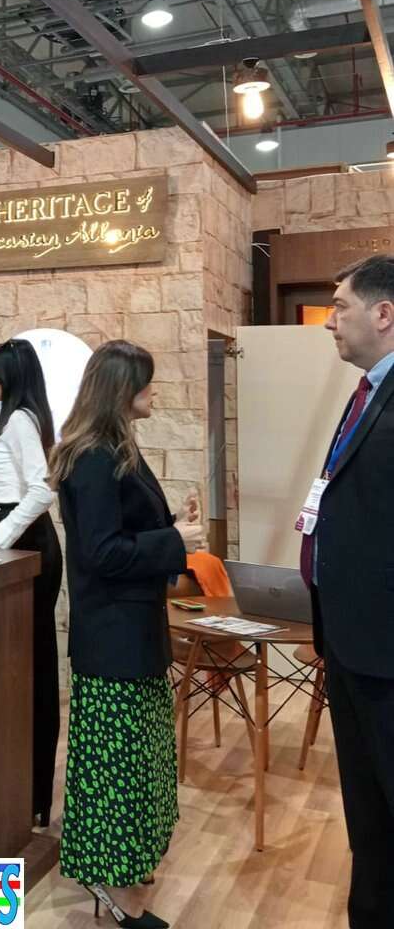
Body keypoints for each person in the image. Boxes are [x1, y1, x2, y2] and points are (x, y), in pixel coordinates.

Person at [50, 341, 203, 929]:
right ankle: (112, 885)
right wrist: (174, 541)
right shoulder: (93, 458)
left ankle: (127, 865)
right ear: (122, 389)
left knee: (138, 763)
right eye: (147, 383)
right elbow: (103, 553)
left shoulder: (116, 449)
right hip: (113, 635)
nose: (155, 392)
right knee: (116, 770)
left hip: (131, 630)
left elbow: (126, 532)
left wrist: (173, 527)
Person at [299, 255, 394, 927]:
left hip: (386, 648)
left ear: (383, 314)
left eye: (340, 307)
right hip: (351, 641)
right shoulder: (364, 392)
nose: (329, 322)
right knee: (368, 809)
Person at [0, 339, 62, 828]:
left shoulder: (21, 420)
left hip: (27, 543)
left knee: (32, 665)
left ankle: (34, 793)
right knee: (18, 665)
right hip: (14, 539)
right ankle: (20, 788)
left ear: (11, 377)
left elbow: (43, 489)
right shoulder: (16, 416)